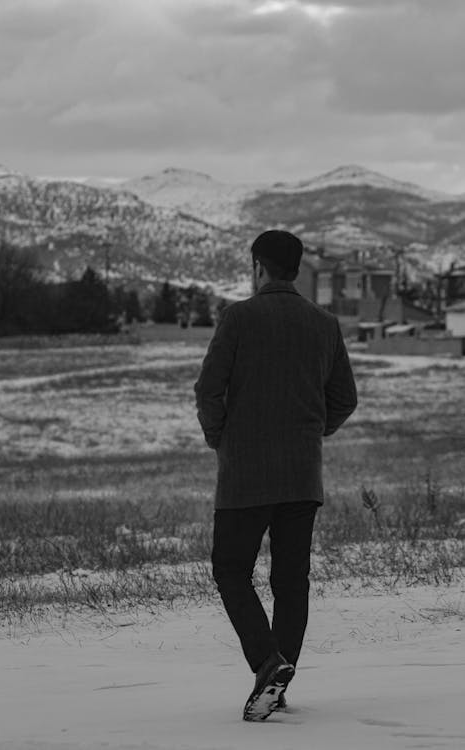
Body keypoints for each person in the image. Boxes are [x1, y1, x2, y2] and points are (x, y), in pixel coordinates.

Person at [194, 229, 357, 721]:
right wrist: (311, 433)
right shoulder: (324, 323)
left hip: (246, 476)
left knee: (229, 570)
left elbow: (209, 389)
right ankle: (277, 680)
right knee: (291, 582)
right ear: (297, 268)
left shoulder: (239, 317)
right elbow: (344, 399)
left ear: (258, 267)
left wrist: (220, 437)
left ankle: (268, 666)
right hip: (301, 476)